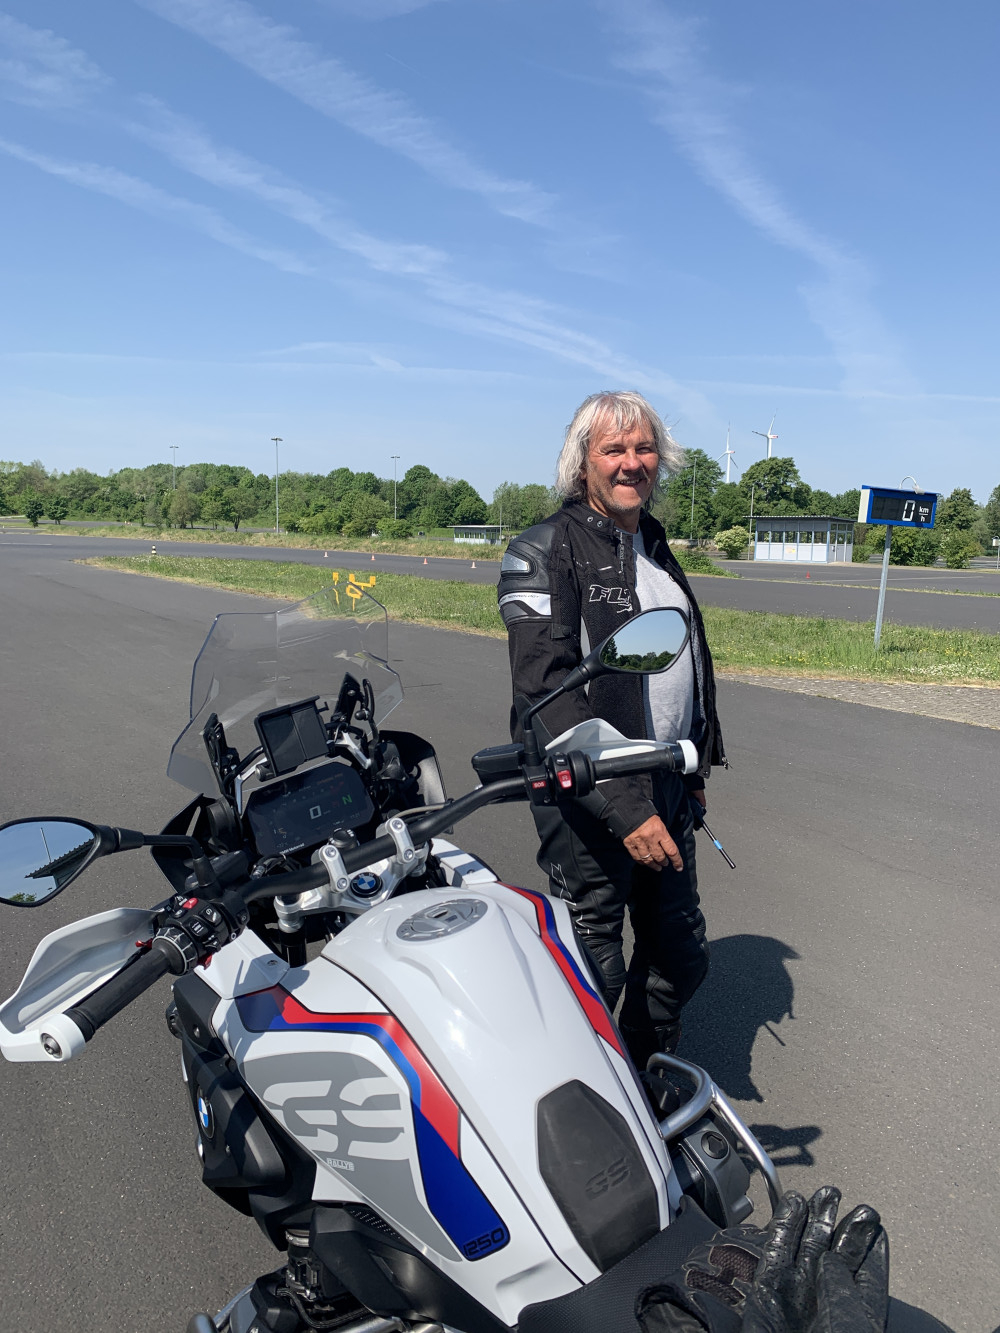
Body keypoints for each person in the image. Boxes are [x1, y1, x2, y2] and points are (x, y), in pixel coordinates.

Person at [497, 390, 726, 1071]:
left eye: (645, 447)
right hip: (589, 789)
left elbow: (687, 666)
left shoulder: (651, 543)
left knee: (680, 955)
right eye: (614, 449)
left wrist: (696, 768)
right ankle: (584, 1091)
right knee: (594, 965)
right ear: (582, 464)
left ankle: (643, 1076)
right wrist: (626, 808)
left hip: (668, 782)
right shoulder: (542, 550)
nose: (633, 462)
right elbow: (545, 693)